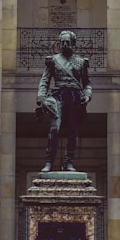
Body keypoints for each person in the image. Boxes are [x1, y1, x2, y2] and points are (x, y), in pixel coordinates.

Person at [36, 29, 92, 172]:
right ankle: (49, 161)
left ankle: (68, 162)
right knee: (55, 129)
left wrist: (87, 95)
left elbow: (87, 84)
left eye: (67, 42)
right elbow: (45, 80)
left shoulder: (81, 62)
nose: (65, 45)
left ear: (73, 43)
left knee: (73, 131)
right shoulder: (53, 60)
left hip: (75, 98)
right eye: (62, 42)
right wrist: (41, 97)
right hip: (59, 96)